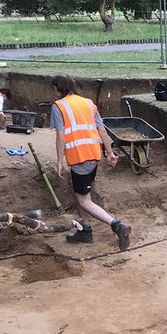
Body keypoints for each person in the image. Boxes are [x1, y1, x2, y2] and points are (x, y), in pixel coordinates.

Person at [50, 74, 131, 251]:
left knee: (84, 200)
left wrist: (59, 161)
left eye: (54, 88)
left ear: (58, 88)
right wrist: (109, 152)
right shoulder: (88, 103)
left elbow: (61, 136)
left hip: (79, 158)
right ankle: (85, 230)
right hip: (93, 155)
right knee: (80, 193)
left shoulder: (58, 106)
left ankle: (117, 225)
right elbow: (102, 130)